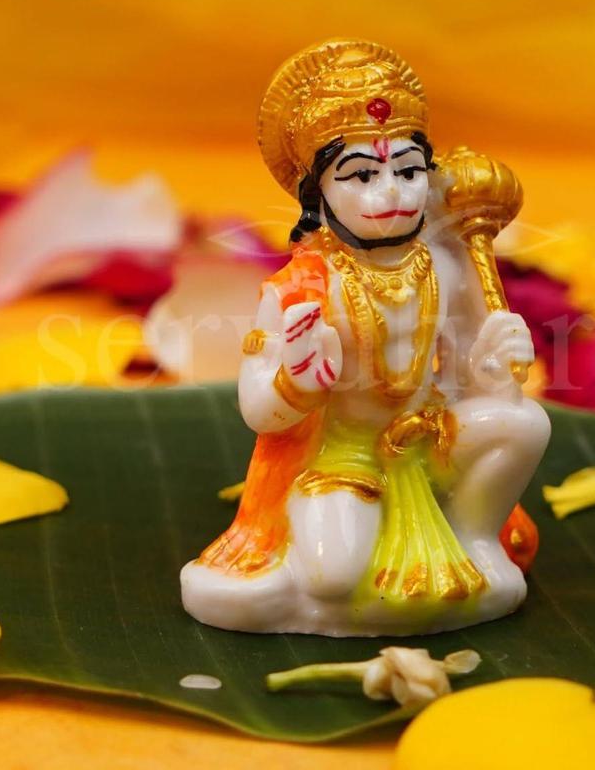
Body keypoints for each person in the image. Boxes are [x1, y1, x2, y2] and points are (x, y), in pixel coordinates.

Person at [181, 39, 550, 636]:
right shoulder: (301, 289)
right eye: (362, 176)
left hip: (435, 438)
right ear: (316, 194)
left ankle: (477, 541)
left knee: (524, 423)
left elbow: (466, 379)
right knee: (331, 577)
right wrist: (297, 381)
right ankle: (295, 568)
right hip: (346, 455)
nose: (393, 192)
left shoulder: (447, 269)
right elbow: (259, 410)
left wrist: (498, 366)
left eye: (408, 171)